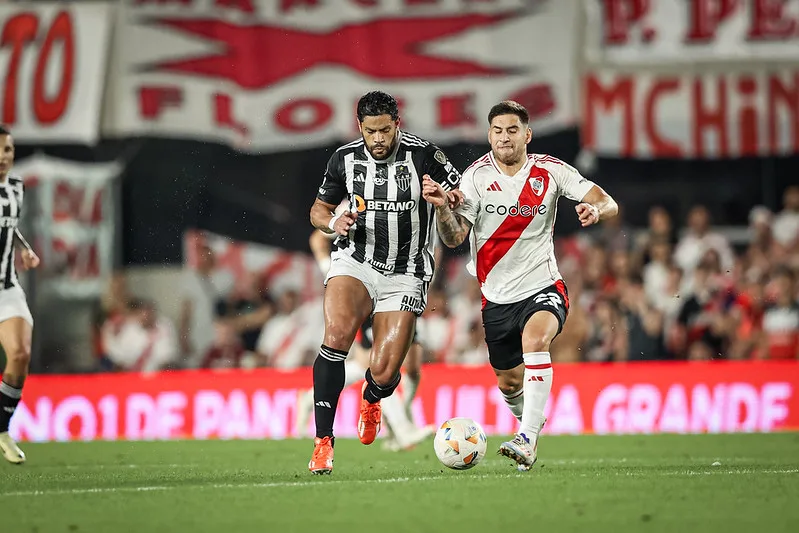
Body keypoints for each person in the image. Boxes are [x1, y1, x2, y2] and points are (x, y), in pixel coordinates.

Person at [425, 101, 618, 471]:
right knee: (509, 383)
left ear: (526, 134)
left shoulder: (550, 170)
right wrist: (441, 209)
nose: (504, 137)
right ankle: (531, 419)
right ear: (489, 135)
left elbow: (605, 200)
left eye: (512, 130)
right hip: (496, 297)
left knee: (536, 341)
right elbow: (454, 239)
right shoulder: (474, 178)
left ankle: (527, 438)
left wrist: (596, 211)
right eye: (497, 131)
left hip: (543, 284)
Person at [307, 90, 461, 474]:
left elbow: (462, 194)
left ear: (397, 123)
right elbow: (319, 209)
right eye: (371, 131)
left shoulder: (425, 155)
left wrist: (445, 197)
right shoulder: (343, 159)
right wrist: (331, 222)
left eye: (385, 130)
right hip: (355, 261)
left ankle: (373, 397)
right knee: (337, 336)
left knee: (387, 371)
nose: (378, 139)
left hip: (405, 272)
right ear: (360, 127)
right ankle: (323, 441)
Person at [297, 227, 433, 451]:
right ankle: (403, 430)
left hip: (400, 283)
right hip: (362, 288)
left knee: (410, 365)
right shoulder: (355, 202)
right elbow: (317, 237)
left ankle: (309, 398)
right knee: (376, 365)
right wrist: (328, 255)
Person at [0, 125, 41, 464]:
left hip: (6, 287)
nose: (3, 157)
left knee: (21, 353)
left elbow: (10, 226)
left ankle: (1, 429)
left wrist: (25, 249)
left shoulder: (15, 189)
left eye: (8, 151)